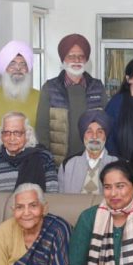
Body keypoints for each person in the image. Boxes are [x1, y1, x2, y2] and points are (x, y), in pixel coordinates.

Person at [36, 34, 107, 166]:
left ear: (86, 60)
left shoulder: (97, 87)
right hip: (59, 162)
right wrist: (46, 161)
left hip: (93, 159)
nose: (76, 60)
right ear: (63, 59)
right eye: (71, 56)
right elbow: (42, 129)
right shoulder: (50, 88)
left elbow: (106, 125)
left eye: (81, 56)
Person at [0, 112, 58, 193]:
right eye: (7, 133)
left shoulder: (44, 158)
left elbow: (52, 195)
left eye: (17, 133)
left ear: (27, 135)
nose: (12, 138)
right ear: (1, 136)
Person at [0, 40, 41, 144]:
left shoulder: (40, 97)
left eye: (23, 64)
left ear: (28, 69)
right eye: (12, 64)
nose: (18, 68)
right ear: (4, 67)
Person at [58, 109, 118, 195]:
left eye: (100, 132)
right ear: (83, 136)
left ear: (105, 136)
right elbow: (61, 199)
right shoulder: (68, 165)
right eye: (89, 132)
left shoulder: (118, 164)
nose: (94, 136)